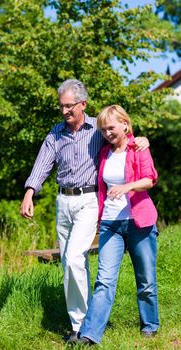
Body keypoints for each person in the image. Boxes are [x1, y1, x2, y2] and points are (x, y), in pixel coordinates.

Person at [20, 80, 149, 341]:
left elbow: (121, 136)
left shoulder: (96, 130)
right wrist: (30, 192)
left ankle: (82, 326)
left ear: (83, 104)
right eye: (62, 107)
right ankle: (82, 321)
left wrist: (141, 140)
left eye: (69, 106)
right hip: (63, 202)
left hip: (89, 200)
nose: (65, 111)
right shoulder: (56, 133)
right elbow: (42, 164)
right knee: (70, 264)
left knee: (74, 258)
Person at [75, 105, 159, 346]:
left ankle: (150, 325)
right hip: (111, 224)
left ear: (124, 124)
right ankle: (90, 334)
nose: (107, 133)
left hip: (139, 223)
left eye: (111, 128)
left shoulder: (138, 147)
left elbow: (150, 179)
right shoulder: (104, 153)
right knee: (104, 280)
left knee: (146, 280)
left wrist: (127, 187)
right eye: (103, 130)